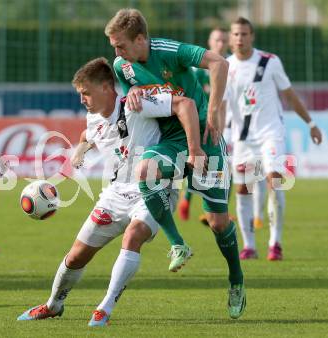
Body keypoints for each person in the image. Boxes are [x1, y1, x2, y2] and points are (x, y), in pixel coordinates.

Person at [17, 58, 203, 326]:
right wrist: (81, 149)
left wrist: (194, 149)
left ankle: (104, 308)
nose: (82, 100)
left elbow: (185, 105)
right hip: (115, 195)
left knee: (134, 235)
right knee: (77, 254)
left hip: (153, 187)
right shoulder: (93, 119)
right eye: (80, 94)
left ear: (106, 87)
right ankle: (53, 305)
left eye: (86, 93)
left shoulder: (136, 103)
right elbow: (88, 135)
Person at [105, 8, 246, 319]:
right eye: (114, 46)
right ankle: (178, 244)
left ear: (141, 39)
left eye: (121, 45)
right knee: (145, 170)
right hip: (169, 142)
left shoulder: (169, 50)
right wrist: (132, 93)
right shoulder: (122, 66)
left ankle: (236, 278)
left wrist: (213, 111)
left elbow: (219, 63)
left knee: (218, 223)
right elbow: (133, 92)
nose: (116, 53)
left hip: (205, 141)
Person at [223, 17, 322, 261]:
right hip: (243, 139)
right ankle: (249, 246)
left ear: (252, 36)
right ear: (230, 38)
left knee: (274, 181)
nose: (240, 38)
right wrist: (213, 125)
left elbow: (289, 95)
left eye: (244, 34)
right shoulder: (225, 67)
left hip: (271, 133)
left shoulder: (269, 62)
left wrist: (310, 123)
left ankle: (275, 243)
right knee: (242, 189)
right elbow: (220, 104)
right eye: (236, 34)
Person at [177, 27, 230, 223]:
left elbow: (224, 105)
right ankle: (189, 201)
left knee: (223, 167)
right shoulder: (198, 69)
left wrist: (221, 130)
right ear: (210, 42)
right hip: (199, 123)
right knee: (199, 162)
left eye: (224, 40)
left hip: (224, 122)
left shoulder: (230, 66)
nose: (221, 44)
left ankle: (218, 208)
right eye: (217, 40)